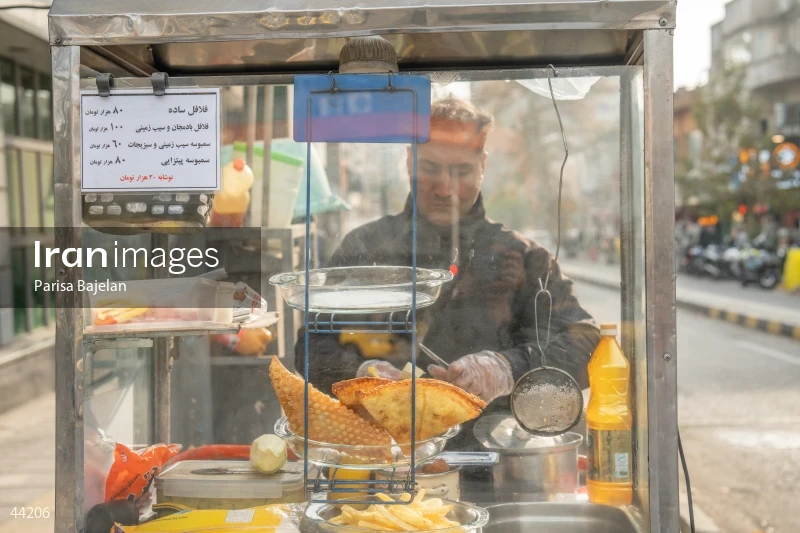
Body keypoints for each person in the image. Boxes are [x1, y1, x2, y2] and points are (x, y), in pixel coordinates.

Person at [294, 97, 600, 449]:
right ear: (408, 162)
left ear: (482, 166)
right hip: (382, 457)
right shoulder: (364, 248)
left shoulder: (525, 258)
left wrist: (507, 367)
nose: (444, 188)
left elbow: (586, 342)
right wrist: (361, 375)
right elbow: (310, 346)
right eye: (429, 168)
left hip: (495, 460)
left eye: (461, 171)